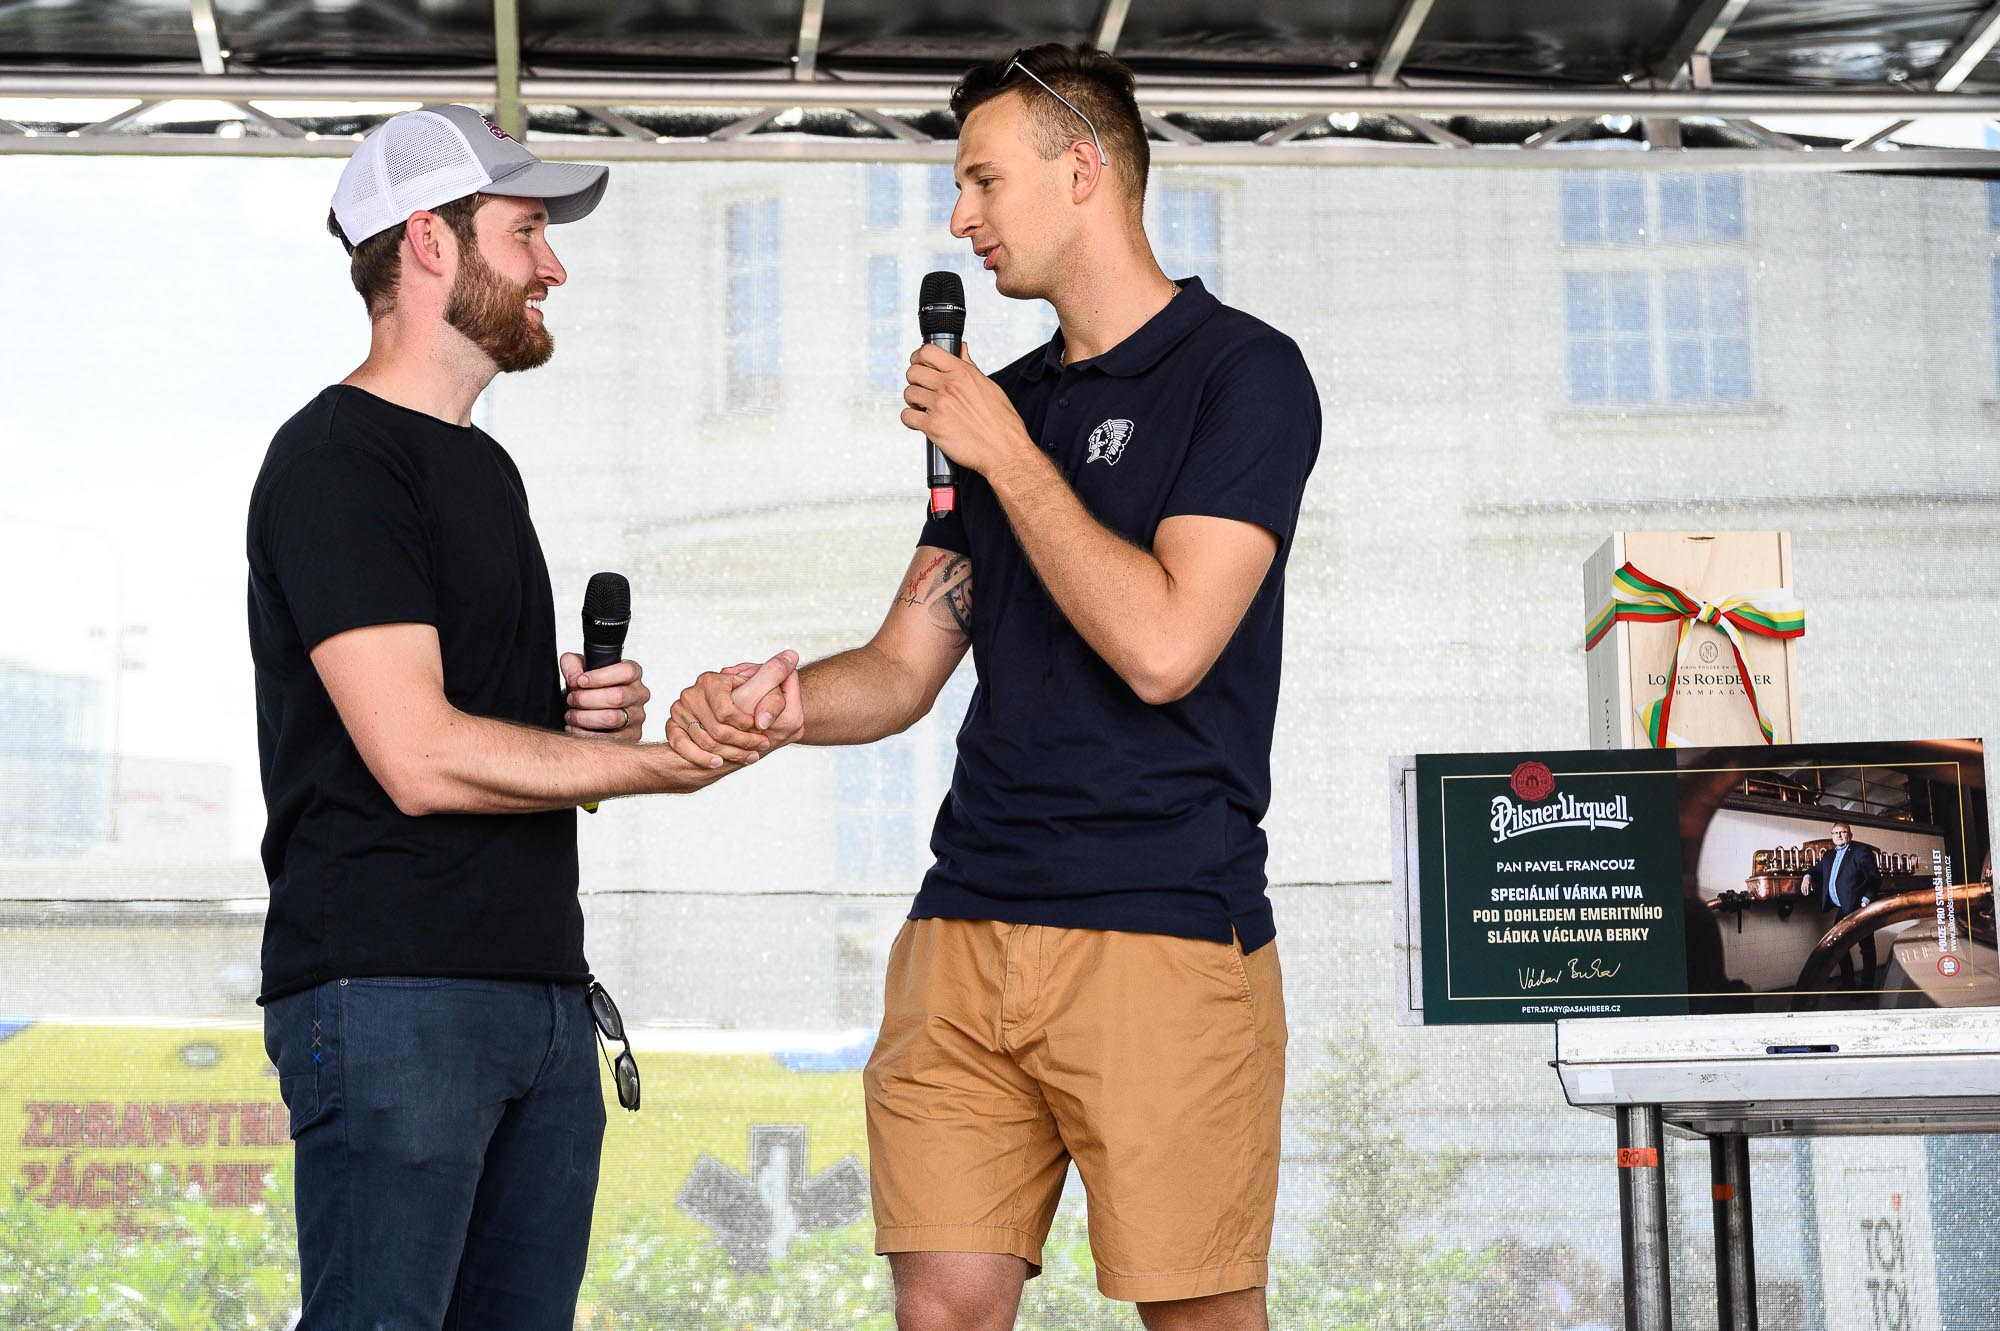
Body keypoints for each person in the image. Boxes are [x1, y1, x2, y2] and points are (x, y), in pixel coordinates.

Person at [673, 45, 1320, 1331]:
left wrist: (1009, 457)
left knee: (1195, 1311)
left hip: (1159, 928)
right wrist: (785, 698)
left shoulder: (1239, 373)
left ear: (1084, 169)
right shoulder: (1004, 405)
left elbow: (1165, 645)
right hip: (961, 927)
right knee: (943, 1309)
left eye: (981, 180)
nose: (957, 218)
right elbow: (905, 663)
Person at [246, 104, 799, 1331]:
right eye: (527, 231)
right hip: (393, 997)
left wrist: (585, 728)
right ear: (429, 245)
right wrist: (664, 763)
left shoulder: (482, 469)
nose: (553, 265)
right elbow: (419, 756)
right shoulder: (337, 460)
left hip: (537, 997)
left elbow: (484, 743)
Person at [1806, 821, 1882, 988]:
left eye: (1843, 832)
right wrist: (1807, 876)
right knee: (1838, 947)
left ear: (1850, 835)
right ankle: (1848, 983)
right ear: (1832, 836)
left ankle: (1868, 986)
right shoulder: (1828, 856)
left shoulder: (1860, 851)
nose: (1839, 835)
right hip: (1844, 908)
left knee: (1866, 946)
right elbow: (1815, 869)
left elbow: (1875, 878)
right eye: (1836, 833)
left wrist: (1866, 900)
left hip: (1860, 908)